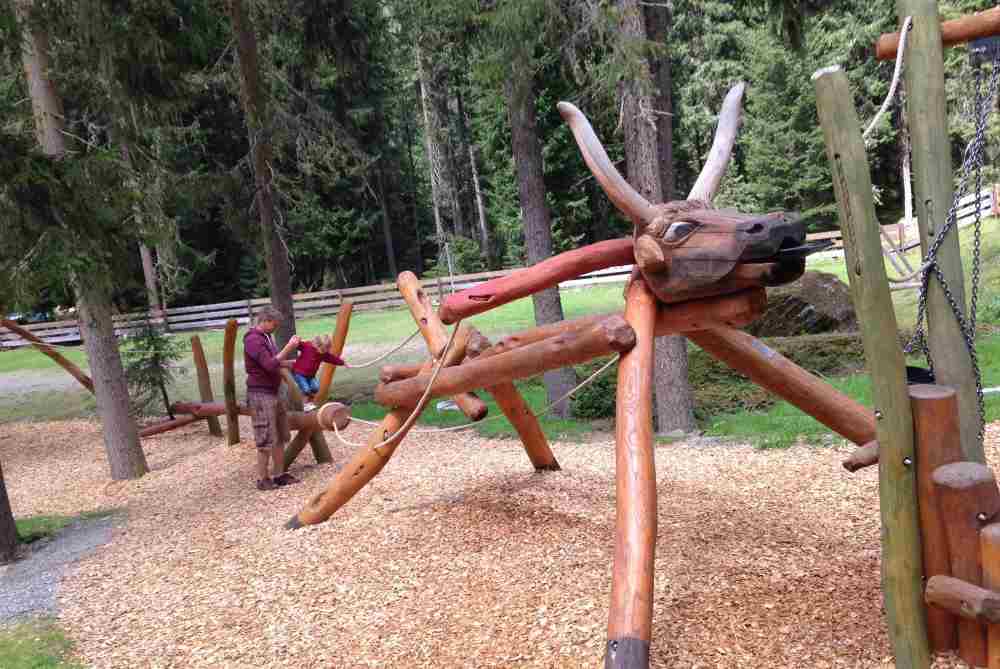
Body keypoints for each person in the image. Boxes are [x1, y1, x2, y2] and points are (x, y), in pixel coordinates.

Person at [244, 305, 301, 491]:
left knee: (279, 435)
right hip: (260, 394)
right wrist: (289, 348)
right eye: (274, 324)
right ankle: (263, 479)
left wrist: (293, 363)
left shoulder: (266, 337)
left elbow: (274, 362)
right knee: (265, 437)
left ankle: (279, 474)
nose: (276, 327)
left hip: (274, 391)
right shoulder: (252, 340)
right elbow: (269, 365)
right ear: (265, 321)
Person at [291, 335, 345, 411]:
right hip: (299, 373)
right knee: (306, 389)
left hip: (310, 375)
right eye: (322, 350)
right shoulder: (308, 346)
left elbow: (331, 358)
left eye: (325, 350)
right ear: (317, 345)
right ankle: (305, 405)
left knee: (315, 387)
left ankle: (310, 403)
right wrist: (295, 341)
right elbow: (298, 345)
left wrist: (342, 362)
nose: (323, 352)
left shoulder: (323, 354)